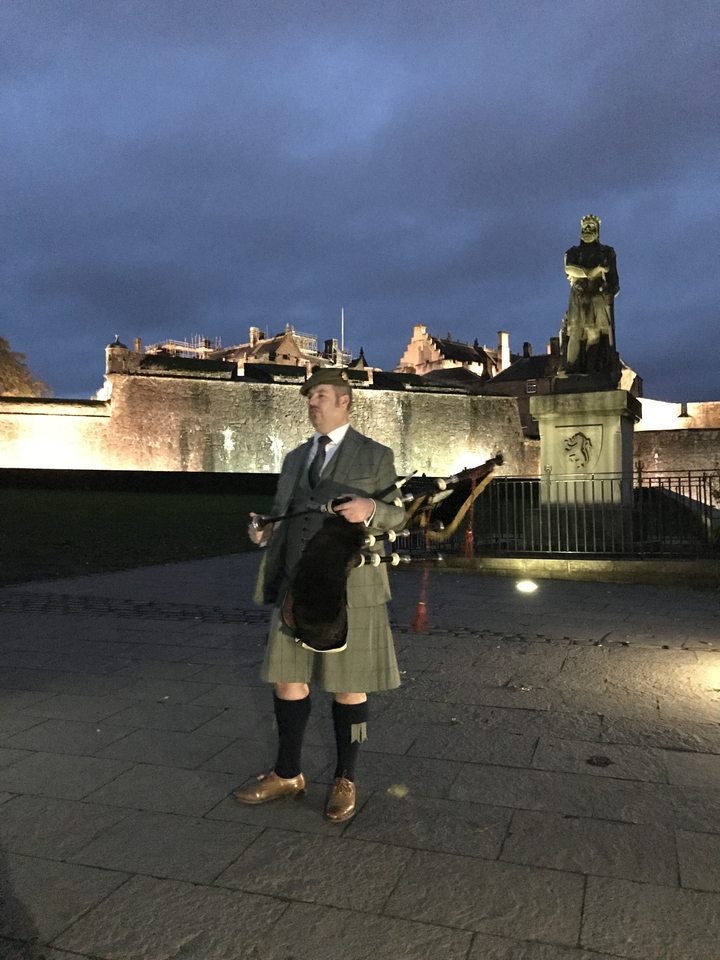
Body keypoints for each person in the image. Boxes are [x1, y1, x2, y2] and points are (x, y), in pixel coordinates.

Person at [234, 367, 406, 822]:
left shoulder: (375, 455)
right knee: (287, 679)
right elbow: (282, 515)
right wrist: (264, 531)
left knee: (350, 687)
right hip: (297, 585)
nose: (313, 404)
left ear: (345, 400)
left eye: (322, 396)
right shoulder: (294, 459)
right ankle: (287, 773)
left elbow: (400, 517)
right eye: (309, 397)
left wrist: (372, 509)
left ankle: (345, 777)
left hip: (352, 587)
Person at [559, 214, 620, 378]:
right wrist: (593, 271)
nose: (587, 230)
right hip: (579, 296)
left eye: (591, 227)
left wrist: (611, 290)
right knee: (575, 331)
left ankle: (592, 367)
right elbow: (570, 269)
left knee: (595, 333)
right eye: (585, 227)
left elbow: (614, 280)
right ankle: (570, 366)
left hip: (598, 296)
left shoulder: (607, 253)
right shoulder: (573, 252)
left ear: (597, 231)